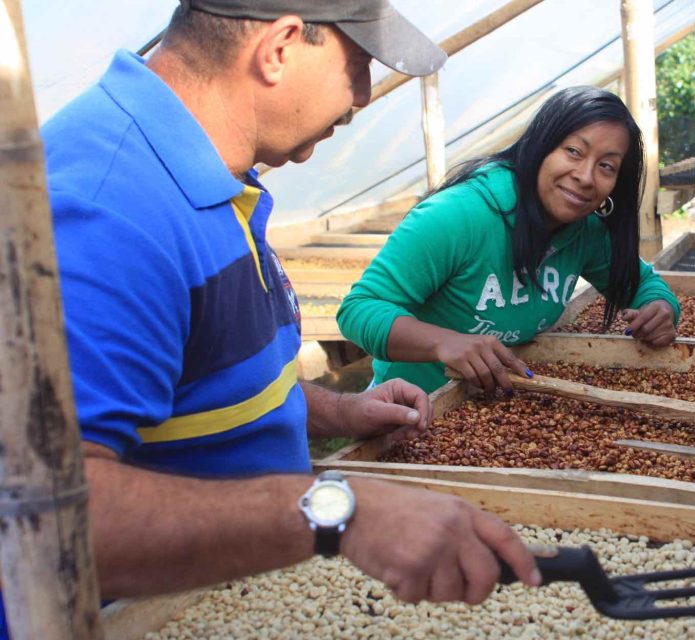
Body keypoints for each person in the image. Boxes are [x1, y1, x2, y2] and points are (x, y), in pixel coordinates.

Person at [34, 0, 540, 620]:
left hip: (239, 593)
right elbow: (46, 515)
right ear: (279, 48)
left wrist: (337, 410)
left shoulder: (213, 169)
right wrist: (340, 510)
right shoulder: (104, 210)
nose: (360, 99)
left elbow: (206, 386)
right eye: (358, 65)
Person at [337, 86, 681, 394]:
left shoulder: (585, 231)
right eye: (574, 151)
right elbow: (359, 309)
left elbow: (642, 284)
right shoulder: (460, 215)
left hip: (498, 406)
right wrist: (444, 343)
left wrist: (661, 311)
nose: (585, 176)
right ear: (541, 146)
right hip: (412, 410)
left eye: (607, 166)